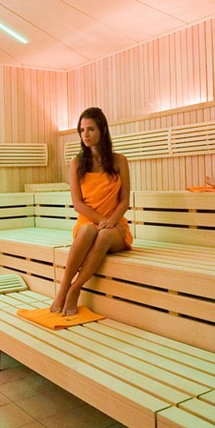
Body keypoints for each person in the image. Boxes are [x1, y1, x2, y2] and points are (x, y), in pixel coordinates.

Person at [51, 107, 132, 317]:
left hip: (115, 227)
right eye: (82, 130)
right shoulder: (77, 163)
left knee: (103, 235)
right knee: (88, 231)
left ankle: (76, 288)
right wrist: (101, 220)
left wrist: (110, 221)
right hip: (88, 222)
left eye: (91, 129)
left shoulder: (119, 160)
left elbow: (124, 200)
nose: (85, 135)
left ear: (102, 130)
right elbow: (77, 203)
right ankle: (63, 289)